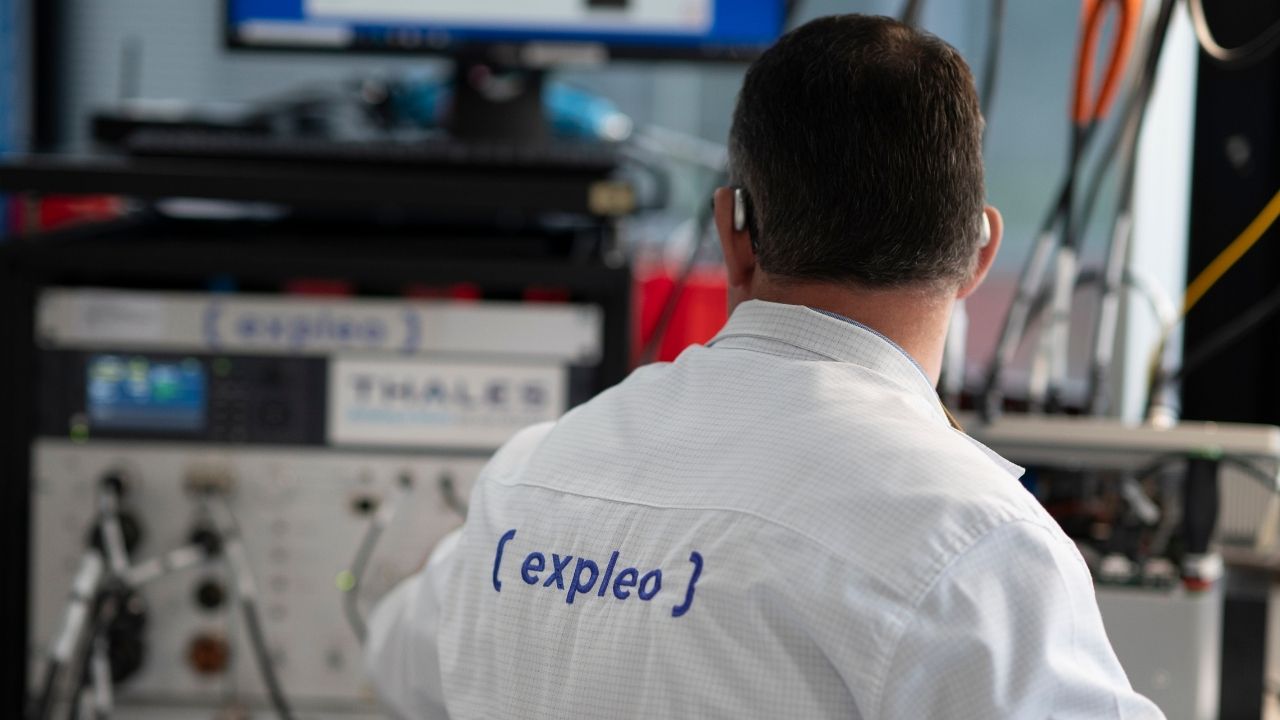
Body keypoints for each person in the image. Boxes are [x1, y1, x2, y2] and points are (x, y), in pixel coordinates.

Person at [365, 14, 1165, 719]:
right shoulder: (970, 547)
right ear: (979, 251)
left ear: (732, 232)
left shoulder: (528, 478)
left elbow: (395, 659)